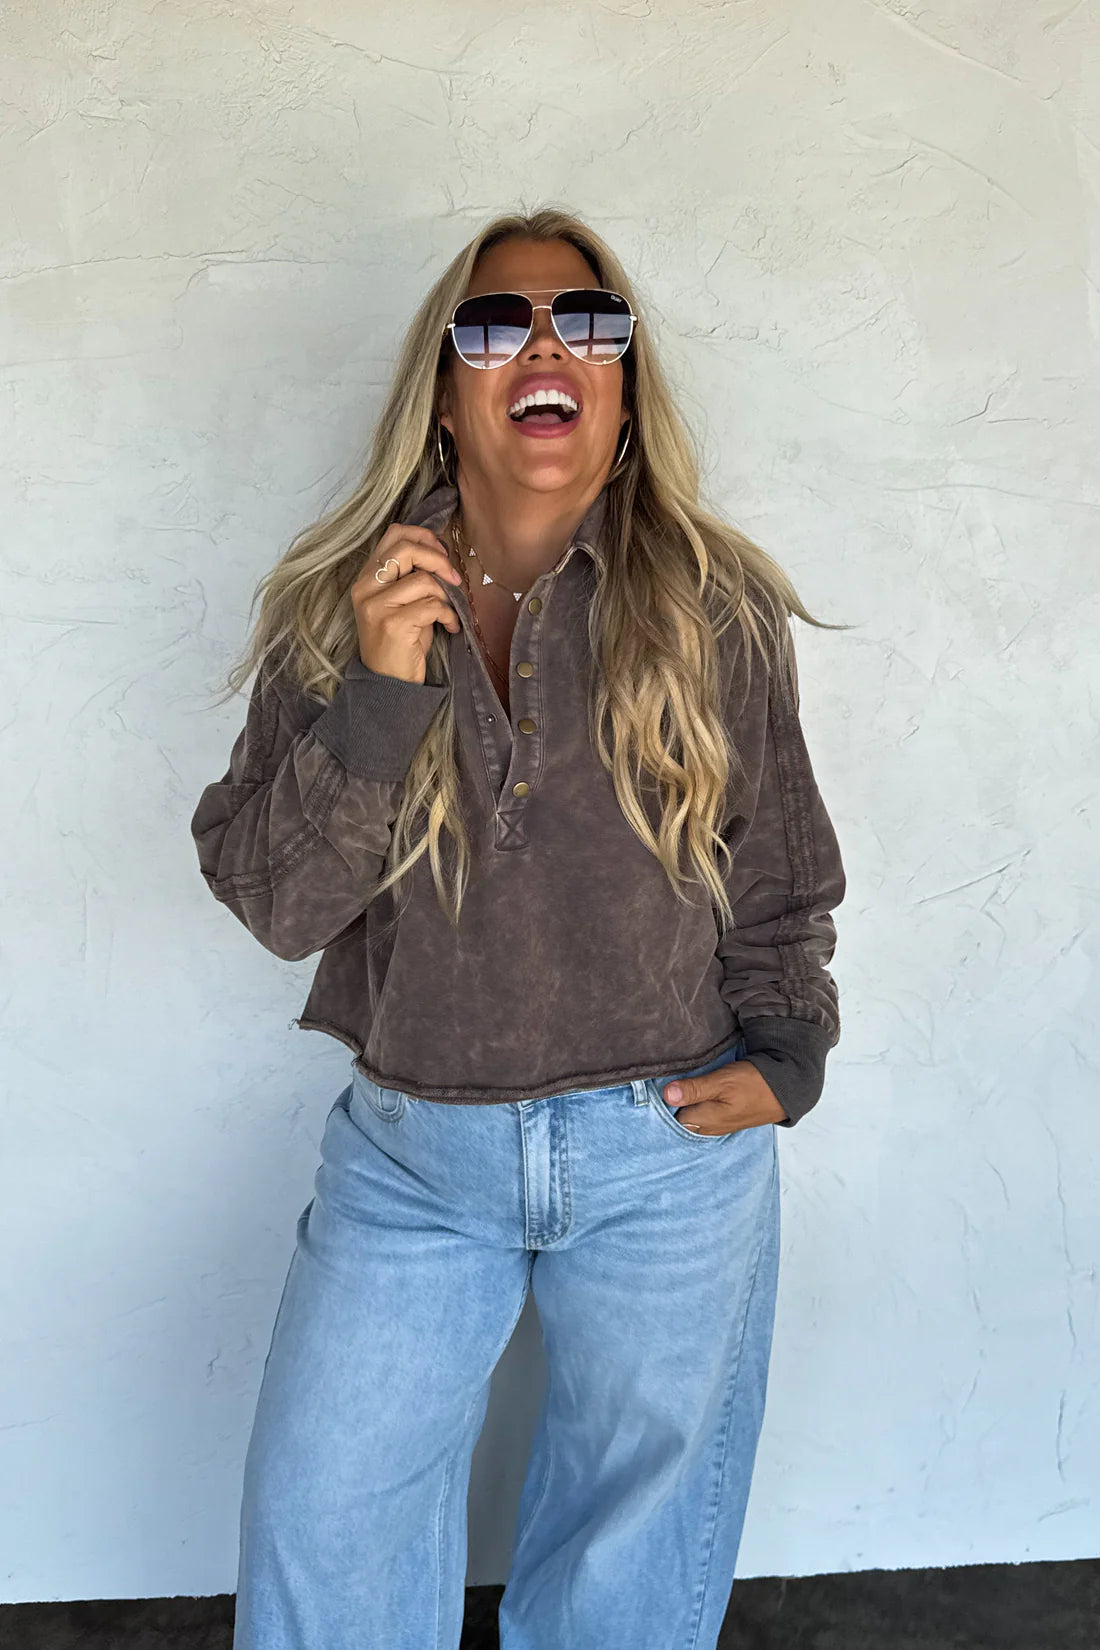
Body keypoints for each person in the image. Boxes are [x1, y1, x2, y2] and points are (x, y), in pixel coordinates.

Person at [190, 205, 847, 1650]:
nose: (547, 345)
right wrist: (380, 689)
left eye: (587, 320)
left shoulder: (714, 606)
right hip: (414, 1161)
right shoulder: (338, 609)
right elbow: (276, 902)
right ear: (445, 390)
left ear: (622, 382)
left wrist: (788, 1052)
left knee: (629, 1580)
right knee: (326, 1545)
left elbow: (781, 869)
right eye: (498, 323)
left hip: (668, 1158)